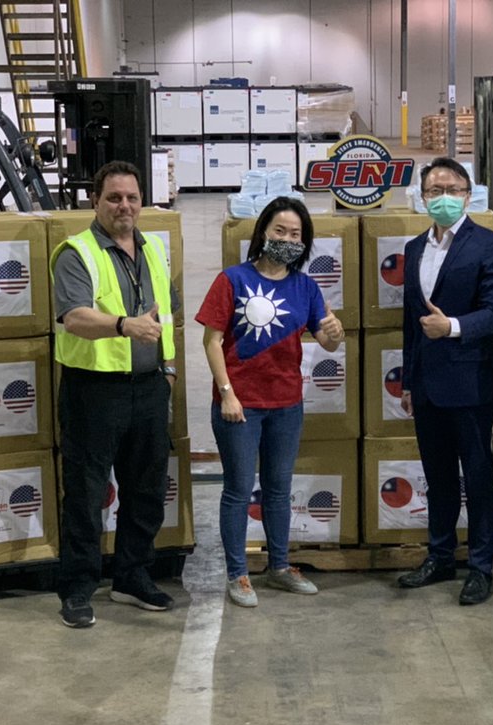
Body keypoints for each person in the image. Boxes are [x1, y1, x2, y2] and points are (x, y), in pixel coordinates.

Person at [197, 196, 345, 608]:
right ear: (263, 232)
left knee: (279, 490)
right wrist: (227, 393)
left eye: (296, 234)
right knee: (239, 490)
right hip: (239, 405)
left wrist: (336, 330)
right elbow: (211, 341)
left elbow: (330, 342)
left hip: (286, 404)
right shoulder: (233, 280)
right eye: (280, 231)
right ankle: (238, 574)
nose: (287, 239)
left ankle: (279, 567)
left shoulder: (305, 286)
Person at [50, 160, 180, 629]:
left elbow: (167, 316)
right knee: (86, 494)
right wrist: (124, 326)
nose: (123, 206)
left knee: (146, 491)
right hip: (94, 391)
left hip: (148, 390)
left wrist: (166, 371)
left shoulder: (153, 251)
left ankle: (131, 576)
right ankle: (78, 587)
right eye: (113, 197)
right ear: (95, 202)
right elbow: (74, 317)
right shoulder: (77, 253)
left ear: (141, 201)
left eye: (131, 197)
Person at [396, 157, 493, 606]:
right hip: (426, 384)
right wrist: (407, 381)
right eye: (433, 189)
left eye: (451, 188)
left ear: (468, 193)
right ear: (422, 197)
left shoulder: (489, 245)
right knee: (437, 475)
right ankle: (440, 554)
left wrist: (455, 327)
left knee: (478, 475)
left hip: (471, 384)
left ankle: (481, 566)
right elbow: (412, 322)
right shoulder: (412, 249)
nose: (442, 196)